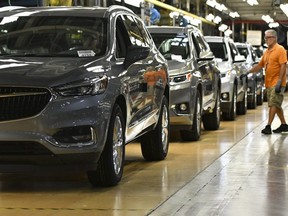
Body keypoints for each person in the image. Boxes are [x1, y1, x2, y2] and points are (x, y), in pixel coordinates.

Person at [243, 29, 288, 134]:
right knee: (276, 105)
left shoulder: (280, 49)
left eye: (268, 37)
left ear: (274, 38)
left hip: (277, 82)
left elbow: (283, 65)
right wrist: (248, 72)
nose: (266, 39)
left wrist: (280, 81)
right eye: (265, 37)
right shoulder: (267, 52)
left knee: (273, 104)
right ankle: (284, 125)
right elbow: (260, 65)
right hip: (269, 82)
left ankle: (268, 126)